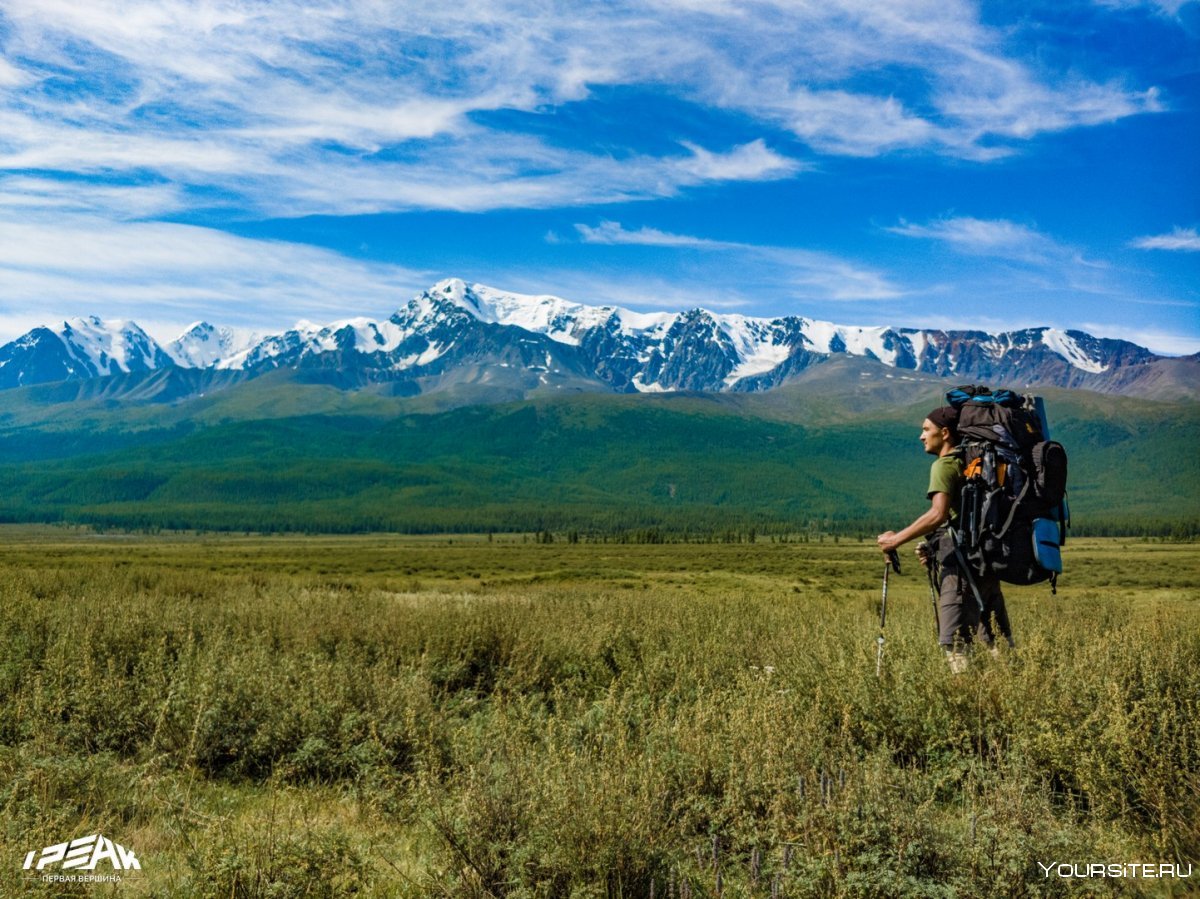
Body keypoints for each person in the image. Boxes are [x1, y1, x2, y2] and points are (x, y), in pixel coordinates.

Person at [876, 405, 1013, 673]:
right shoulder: (971, 462)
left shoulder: (945, 465)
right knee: (996, 642)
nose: (921, 436)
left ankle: (965, 706)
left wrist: (895, 541)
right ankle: (1017, 696)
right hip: (984, 562)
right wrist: (932, 545)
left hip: (960, 569)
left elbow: (938, 515)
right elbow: (957, 518)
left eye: (926, 429)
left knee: (957, 645)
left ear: (946, 433)